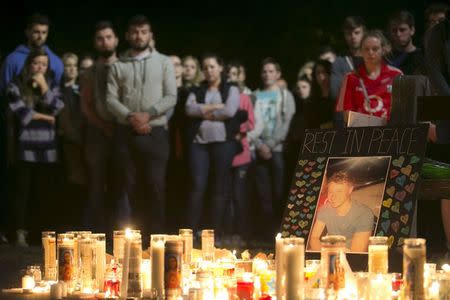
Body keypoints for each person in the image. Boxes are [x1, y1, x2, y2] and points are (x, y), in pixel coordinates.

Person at [106, 15, 176, 235]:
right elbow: (110, 99)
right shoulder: (118, 65)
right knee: (128, 187)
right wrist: (131, 118)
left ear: (150, 35)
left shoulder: (164, 62)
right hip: (125, 133)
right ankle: (133, 240)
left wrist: (148, 115)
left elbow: (171, 96)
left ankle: (156, 240)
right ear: (127, 35)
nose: (139, 36)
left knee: (155, 187)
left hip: (155, 133)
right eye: (135, 32)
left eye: (144, 31)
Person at [6, 49, 64, 246]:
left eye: (43, 64)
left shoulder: (52, 85)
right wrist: (48, 118)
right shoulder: (16, 85)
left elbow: (59, 109)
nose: (40, 67)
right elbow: (23, 114)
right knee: (22, 191)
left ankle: (40, 234)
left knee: (43, 192)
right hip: (25, 147)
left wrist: (44, 88)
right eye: (36, 63)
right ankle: (20, 232)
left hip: (48, 149)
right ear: (29, 64)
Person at [185, 53, 241, 240]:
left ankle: (214, 234)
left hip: (223, 143)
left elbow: (230, 110)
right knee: (197, 185)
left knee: (219, 188)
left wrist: (202, 110)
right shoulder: (197, 88)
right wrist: (215, 106)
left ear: (220, 68)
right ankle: (190, 233)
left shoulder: (231, 88)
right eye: (205, 67)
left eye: (212, 66)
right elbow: (189, 109)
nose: (208, 70)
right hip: (198, 144)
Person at [81, 21, 129, 232]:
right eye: (100, 38)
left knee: (123, 185)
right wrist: (103, 126)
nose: (105, 42)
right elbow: (86, 106)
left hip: (123, 133)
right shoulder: (90, 72)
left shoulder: (127, 68)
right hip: (96, 135)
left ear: (116, 40)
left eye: (109, 37)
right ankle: (94, 236)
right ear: (95, 42)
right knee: (96, 186)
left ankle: (124, 236)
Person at [249, 58, 295, 241]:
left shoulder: (285, 95)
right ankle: (266, 234)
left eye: (271, 71)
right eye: (264, 71)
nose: (267, 75)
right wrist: (260, 144)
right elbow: (250, 122)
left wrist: (271, 144)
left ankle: (281, 232)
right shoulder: (255, 95)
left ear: (278, 74)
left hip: (277, 149)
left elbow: (286, 123)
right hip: (259, 148)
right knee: (263, 193)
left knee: (279, 192)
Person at [335, 30, 403, 122]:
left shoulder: (396, 75)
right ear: (361, 52)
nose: (370, 53)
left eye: (375, 49)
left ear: (383, 50)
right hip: (361, 133)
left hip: (390, 132)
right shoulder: (351, 77)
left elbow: (403, 111)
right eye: (366, 49)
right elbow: (347, 116)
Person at [309, 171, 374, 252]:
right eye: (330, 192)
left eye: (339, 191)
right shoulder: (325, 209)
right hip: (330, 253)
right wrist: (326, 255)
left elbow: (356, 253)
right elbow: (314, 238)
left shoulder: (364, 214)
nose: (333, 197)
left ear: (350, 190)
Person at [0, 13, 64, 91]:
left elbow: (58, 94)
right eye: (36, 32)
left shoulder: (56, 62)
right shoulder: (12, 60)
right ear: (27, 32)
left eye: (44, 32)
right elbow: (4, 91)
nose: (40, 37)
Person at [330, 16, 365, 101]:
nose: (353, 37)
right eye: (349, 34)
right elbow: (335, 92)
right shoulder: (339, 62)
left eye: (357, 33)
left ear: (364, 33)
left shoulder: (373, 58)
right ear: (344, 35)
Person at [386, 10, 425, 75]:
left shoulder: (422, 57)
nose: (398, 34)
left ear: (412, 30)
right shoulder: (386, 58)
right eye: (394, 30)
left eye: (402, 30)